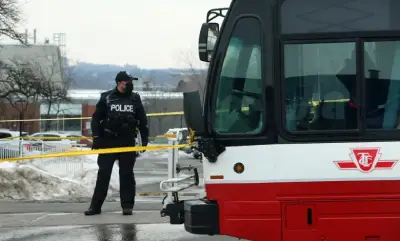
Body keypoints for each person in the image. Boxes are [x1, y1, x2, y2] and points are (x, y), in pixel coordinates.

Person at [84, 71, 149, 216]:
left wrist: (144, 140)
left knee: (126, 175)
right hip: (108, 141)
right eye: (128, 83)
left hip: (127, 141)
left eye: (131, 83)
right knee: (104, 174)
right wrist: (96, 137)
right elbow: (95, 120)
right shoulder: (106, 97)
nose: (130, 85)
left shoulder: (135, 99)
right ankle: (95, 206)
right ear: (119, 83)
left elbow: (143, 121)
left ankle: (127, 206)